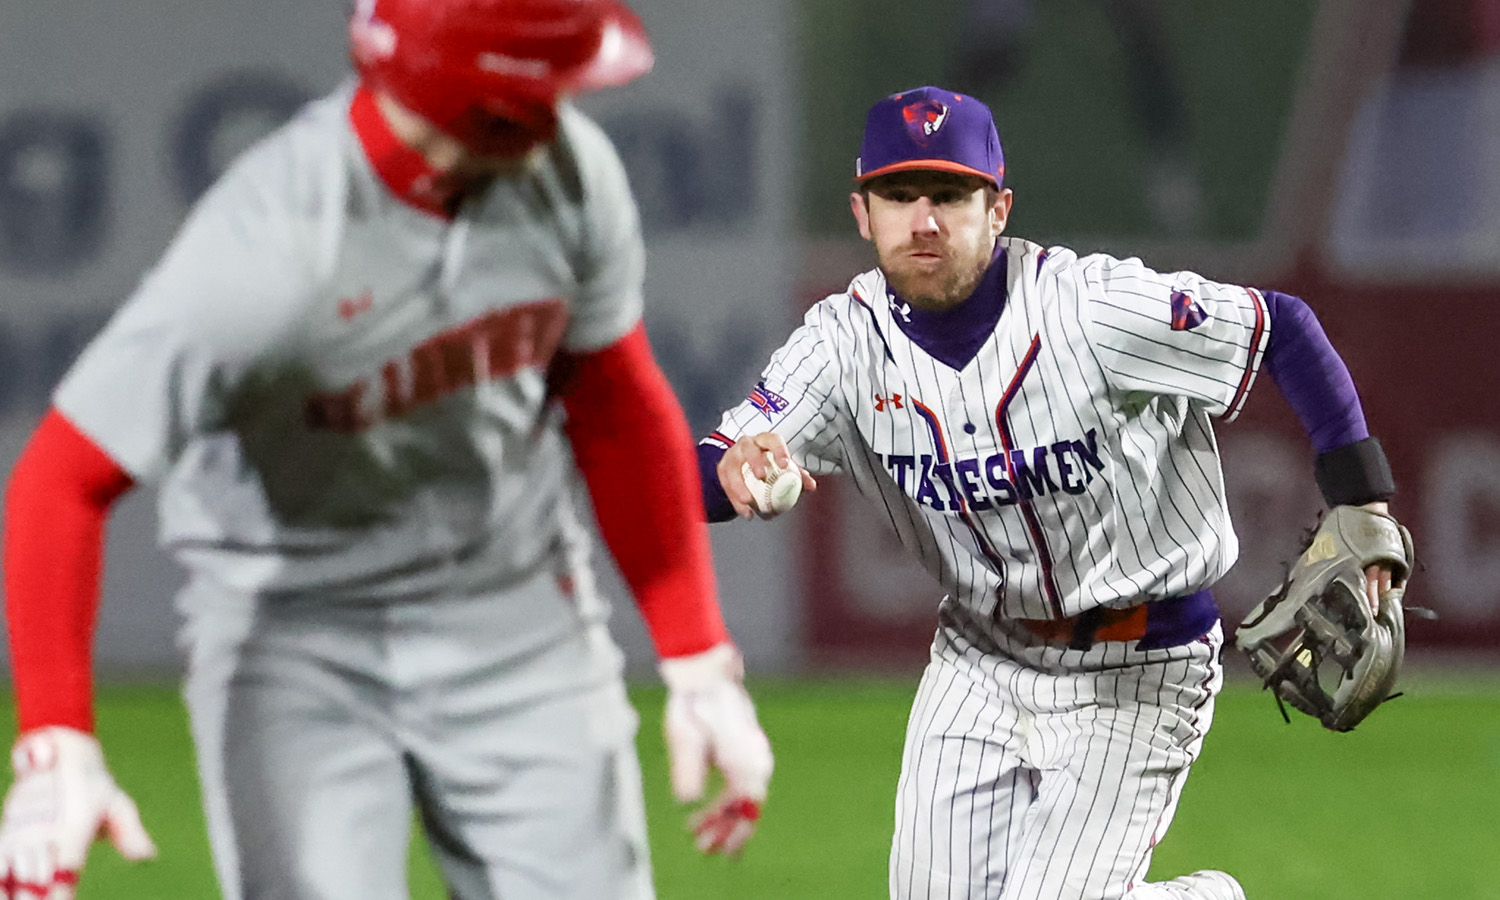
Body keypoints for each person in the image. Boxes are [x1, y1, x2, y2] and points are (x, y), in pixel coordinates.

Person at [0, 1, 773, 898]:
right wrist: (56, 737)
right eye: (550, 79)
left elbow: (615, 403)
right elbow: (62, 478)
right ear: (495, 96)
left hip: (514, 609)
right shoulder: (266, 247)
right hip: (296, 630)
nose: (567, 103)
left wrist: (696, 653)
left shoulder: (570, 175)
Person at [699, 86, 1404, 900]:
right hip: (978, 657)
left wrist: (1363, 500)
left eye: (951, 194)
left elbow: (1280, 327)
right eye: (898, 195)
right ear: (863, 212)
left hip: (1140, 664)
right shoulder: (842, 343)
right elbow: (711, 464)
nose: (923, 219)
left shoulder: (1091, 308)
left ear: (998, 209)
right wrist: (727, 472)